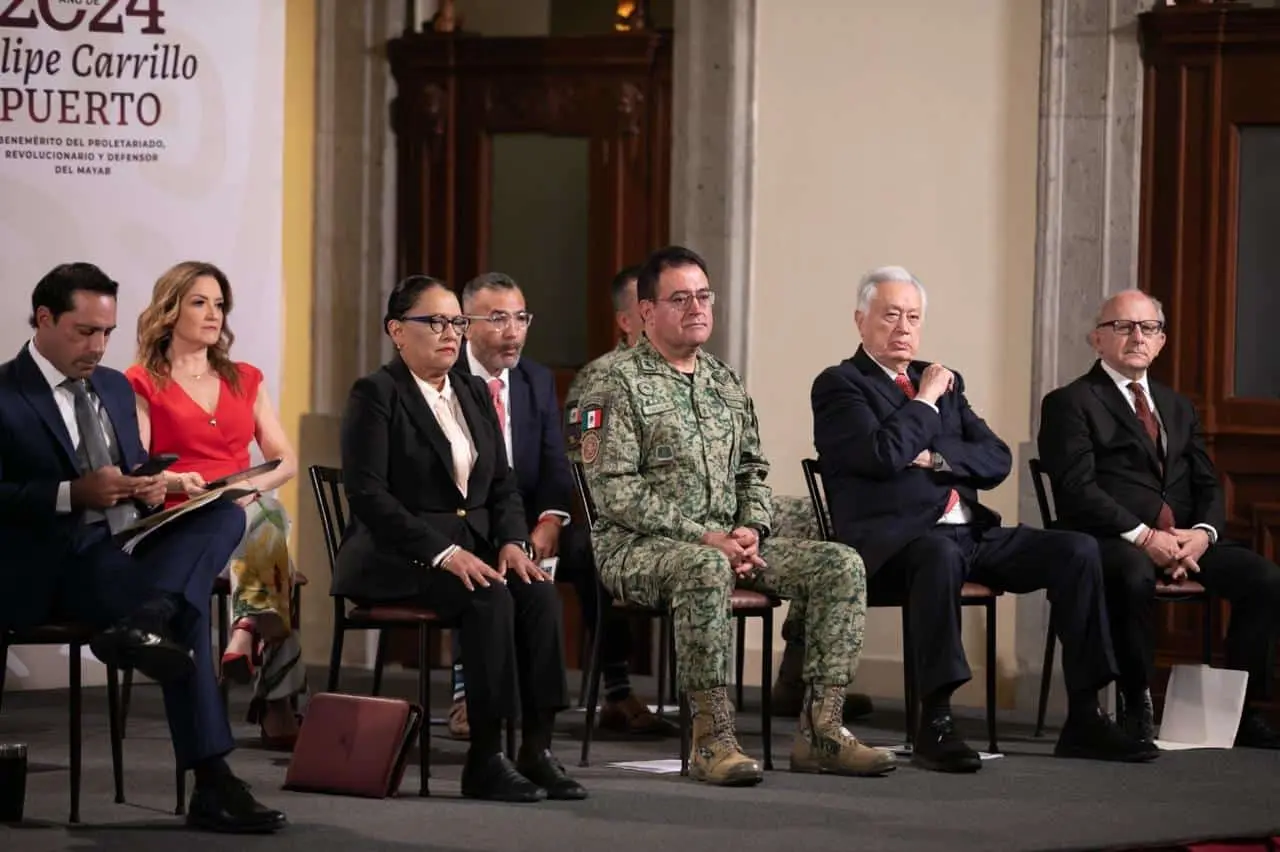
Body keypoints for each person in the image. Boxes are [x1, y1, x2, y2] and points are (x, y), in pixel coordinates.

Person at [811, 265, 1155, 773]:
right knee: (938, 552)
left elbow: (995, 459)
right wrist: (925, 402)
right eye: (890, 316)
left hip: (970, 532)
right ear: (861, 321)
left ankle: (1085, 713)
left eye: (913, 316)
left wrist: (933, 457)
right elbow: (882, 454)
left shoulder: (947, 380)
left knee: (1076, 549)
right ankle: (937, 720)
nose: (904, 328)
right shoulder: (841, 385)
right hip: (894, 545)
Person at [581, 245, 894, 786]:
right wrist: (706, 538)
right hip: (638, 546)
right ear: (648, 311)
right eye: (680, 298)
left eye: (703, 295)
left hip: (728, 540)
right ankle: (712, 739)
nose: (697, 307)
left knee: (839, 564)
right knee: (704, 569)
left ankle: (822, 729)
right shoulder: (611, 381)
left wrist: (752, 528)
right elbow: (615, 492)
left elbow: (752, 469)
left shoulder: (724, 381)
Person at [0, 263, 286, 832]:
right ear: (43, 319)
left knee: (223, 514)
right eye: (85, 332)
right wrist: (71, 493)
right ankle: (213, 781)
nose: (99, 346)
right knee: (186, 611)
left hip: (118, 551)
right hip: (44, 569)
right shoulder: (5, 393)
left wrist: (151, 487)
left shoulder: (109, 385)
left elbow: (131, 473)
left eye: (106, 332)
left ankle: (147, 618)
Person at [332, 274, 587, 803]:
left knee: (536, 590)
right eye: (435, 322)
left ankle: (536, 750)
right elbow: (369, 496)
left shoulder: (471, 390)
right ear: (397, 331)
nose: (450, 333)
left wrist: (513, 542)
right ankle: (485, 759)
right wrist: (444, 552)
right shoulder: (376, 394)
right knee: (489, 595)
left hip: (470, 549)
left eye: (455, 322)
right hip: (397, 555)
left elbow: (503, 485)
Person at [1037, 289, 1280, 749]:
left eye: (1148, 328)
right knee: (1130, 574)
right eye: (1122, 326)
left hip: (1182, 541)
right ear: (1096, 339)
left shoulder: (1178, 406)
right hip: (1110, 539)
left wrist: (1202, 536)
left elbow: (1208, 484)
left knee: (1265, 578)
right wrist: (1144, 536)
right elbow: (1077, 490)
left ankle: (1240, 711)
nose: (1136, 337)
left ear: (1161, 341)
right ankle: (1136, 708)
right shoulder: (1070, 402)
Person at [447, 271, 675, 740]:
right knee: (475, 551)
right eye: (497, 319)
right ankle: (468, 693)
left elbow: (555, 463)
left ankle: (616, 689)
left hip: (533, 517)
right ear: (466, 325)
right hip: (467, 517)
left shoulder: (534, 379)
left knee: (595, 551)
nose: (513, 331)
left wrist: (552, 518)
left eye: (521, 318)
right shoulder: (446, 378)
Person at [125, 261, 306, 749]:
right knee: (269, 530)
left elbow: (285, 460)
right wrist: (175, 479)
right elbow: (138, 465)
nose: (213, 314)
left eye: (219, 304)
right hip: (181, 515)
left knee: (262, 509)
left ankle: (247, 628)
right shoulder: (143, 381)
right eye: (199, 302)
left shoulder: (245, 378)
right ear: (170, 309)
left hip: (241, 503)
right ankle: (267, 679)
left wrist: (248, 488)